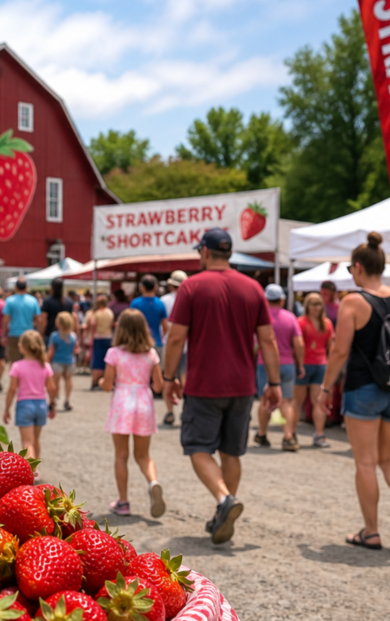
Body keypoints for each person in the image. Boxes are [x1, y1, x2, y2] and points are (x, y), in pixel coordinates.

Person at [163, 228, 282, 545]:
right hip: (243, 384)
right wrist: (274, 382)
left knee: (198, 447)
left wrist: (168, 377)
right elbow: (267, 340)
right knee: (231, 451)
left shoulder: (192, 287)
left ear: (204, 252)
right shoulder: (253, 288)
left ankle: (223, 499)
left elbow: (176, 338)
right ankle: (223, 510)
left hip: (204, 384)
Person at [319, 232, 390, 550]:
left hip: (364, 387)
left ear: (357, 268)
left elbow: (340, 351)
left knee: (366, 462)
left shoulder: (352, 301)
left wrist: (325, 387)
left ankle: (371, 531)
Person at [103, 309, 166, 518]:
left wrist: (103, 381)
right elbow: (158, 386)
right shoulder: (151, 353)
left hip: (122, 401)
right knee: (143, 455)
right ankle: (153, 481)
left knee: (121, 455)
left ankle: (123, 502)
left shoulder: (114, 353)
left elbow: (107, 384)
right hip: (144, 402)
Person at [254, 284, 305, 452]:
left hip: (265, 364)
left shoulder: (260, 317)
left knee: (265, 400)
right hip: (287, 364)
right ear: (282, 300)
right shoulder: (290, 318)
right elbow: (299, 344)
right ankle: (288, 436)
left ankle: (262, 434)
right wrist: (300, 364)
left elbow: (254, 345)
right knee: (287, 401)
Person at [2, 330, 58, 462]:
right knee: (36, 440)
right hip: (41, 405)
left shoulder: (17, 366)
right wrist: (52, 404)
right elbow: (52, 388)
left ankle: (32, 471)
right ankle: (37, 468)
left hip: (24, 404)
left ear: (21, 347)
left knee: (27, 442)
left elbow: (12, 389)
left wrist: (7, 408)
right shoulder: (45, 366)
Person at [293, 292, 334, 448]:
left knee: (300, 402)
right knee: (315, 402)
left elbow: (297, 346)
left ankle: (293, 433)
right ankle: (318, 434)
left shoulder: (301, 322)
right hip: (319, 364)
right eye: (313, 304)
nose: (315, 307)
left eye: (317, 304)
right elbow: (331, 347)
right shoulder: (326, 323)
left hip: (308, 365)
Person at [159, 271, 188, 426]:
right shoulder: (190, 299)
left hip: (168, 344)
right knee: (186, 381)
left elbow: (162, 325)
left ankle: (170, 411)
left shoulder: (163, 300)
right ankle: (185, 411)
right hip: (187, 345)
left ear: (171, 285)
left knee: (168, 379)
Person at [3, 277, 44, 364]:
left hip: (14, 334)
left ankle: (15, 377)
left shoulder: (10, 300)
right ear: (26, 288)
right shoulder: (33, 300)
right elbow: (38, 318)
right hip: (29, 334)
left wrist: (3, 334)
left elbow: (5, 319)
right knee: (30, 360)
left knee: (14, 362)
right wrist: (35, 328)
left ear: (15, 287)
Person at [47, 311, 79, 411]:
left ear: (58, 323)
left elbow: (51, 351)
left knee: (55, 381)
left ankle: (53, 400)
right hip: (70, 361)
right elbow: (75, 350)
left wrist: (47, 361)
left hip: (57, 361)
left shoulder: (55, 336)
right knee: (68, 380)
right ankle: (67, 400)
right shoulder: (73, 336)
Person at [88, 295, 116, 391]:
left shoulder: (96, 313)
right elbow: (113, 324)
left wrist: (91, 339)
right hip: (108, 337)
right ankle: (107, 380)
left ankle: (95, 381)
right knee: (107, 360)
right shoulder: (110, 312)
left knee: (97, 360)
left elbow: (93, 326)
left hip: (98, 337)